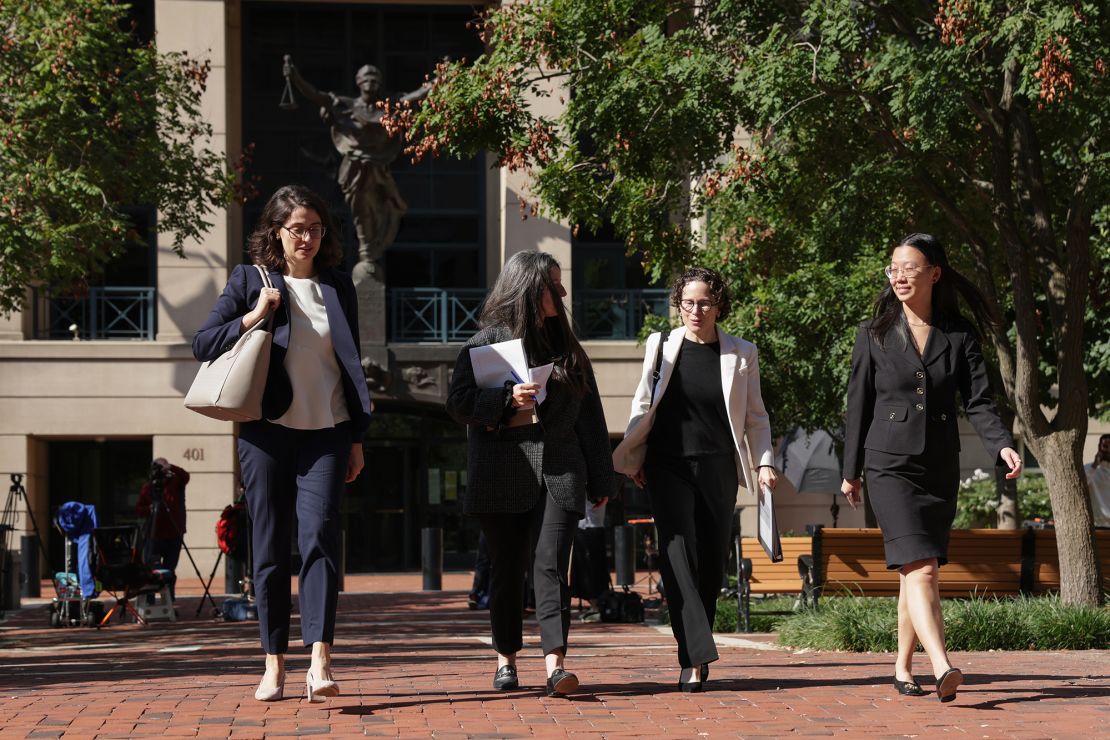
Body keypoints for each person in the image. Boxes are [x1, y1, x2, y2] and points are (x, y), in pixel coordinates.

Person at [192, 185, 371, 703]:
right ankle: (273, 663)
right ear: (276, 231)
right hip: (266, 432)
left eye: (316, 228)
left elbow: (352, 364)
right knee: (269, 549)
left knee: (320, 539)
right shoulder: (251, 280)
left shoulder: (338, 286)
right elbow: (203, 342)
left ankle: (320, 659)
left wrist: (357, 436)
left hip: (329, 432)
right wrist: (254, 314)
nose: (308, 238)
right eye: (298, 228)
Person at [840, 232, 1022, 704]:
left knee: (917, 572)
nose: (898, 275)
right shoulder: (873, 333)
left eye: (908, 267)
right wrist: (851, 469)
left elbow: (979, 402)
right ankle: (943, 664)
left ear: (933, 273)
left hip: (939, 467)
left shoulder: (959, 335)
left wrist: (1002, 445)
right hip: (888, 464)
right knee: (919, 566)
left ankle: (901, 667)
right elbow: (856, 406)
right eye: (892, 268)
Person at [445, 251, 614, 697]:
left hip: (561, 471)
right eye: (552, 285)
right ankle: (506, 660)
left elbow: (592, 421)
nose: (561, 293)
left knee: (551, 566)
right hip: (502, 471)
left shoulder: (568, 348)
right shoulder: (484, 343)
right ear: (527, 288)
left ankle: (556, 664)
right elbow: (457, 404)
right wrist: (504, 400)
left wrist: (602, 480)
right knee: (507, 570)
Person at [612, 266, 778, 692]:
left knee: (710, 563)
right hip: (668, 465)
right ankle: (693, 656)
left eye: (704, 302)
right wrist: (637, 456)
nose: (696, 310)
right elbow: (643, 404)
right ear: (678, 304)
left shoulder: (742, 352)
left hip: (719, 466)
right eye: (688, 302)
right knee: (677, 554)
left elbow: (756, 417)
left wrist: (764, 462)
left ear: (718, 304)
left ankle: (696, 652)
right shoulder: (661, 345)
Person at [283, 58, 430, 275]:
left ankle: (371, 250)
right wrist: (294, 77)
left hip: (379, 169)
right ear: (358, 83)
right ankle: (366, 251)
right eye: (366, 78)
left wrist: (437, 82)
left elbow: (416, 95)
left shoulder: (389, 107)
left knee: (387, 208)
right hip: (354, 171)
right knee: (362, 212)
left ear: (379, 84)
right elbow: (316, 95)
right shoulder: (345, 106)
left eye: (374, 79)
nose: (370, 82)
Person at [136, 458, 190, 598]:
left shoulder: (175, 483)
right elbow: (139, 509)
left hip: (174, 533)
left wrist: (169, 466)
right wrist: (149, 509)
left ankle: (169, 601)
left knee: (170, 570)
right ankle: (150, 600)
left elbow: (185, 476)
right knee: (151, 569)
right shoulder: (148, 488)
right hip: (154, 534)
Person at [1086, 433, 1110, 528]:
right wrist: (1094, 466)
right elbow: (1081, 486)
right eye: (1105, 446)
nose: (1108, 450)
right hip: (1097, 525)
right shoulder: (1089, 469)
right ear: (1099, 447)